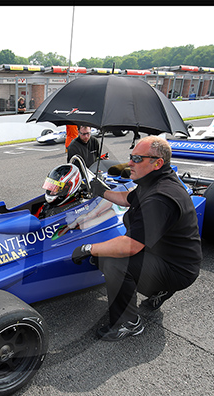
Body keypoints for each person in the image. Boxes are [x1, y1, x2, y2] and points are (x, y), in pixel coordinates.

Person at [70, 135, 202, 341]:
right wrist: (100, 190)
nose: (130, 162)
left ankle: (129, 322)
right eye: (131, 156)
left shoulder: (161, 197)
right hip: (165, 255)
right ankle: (161, 288)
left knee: (112, 260)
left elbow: (129, 247)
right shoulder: (154, 180)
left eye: (138, 159)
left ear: (158, 163)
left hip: (178, 268)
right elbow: (126, 199)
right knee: (107, 254)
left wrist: (88, 248)